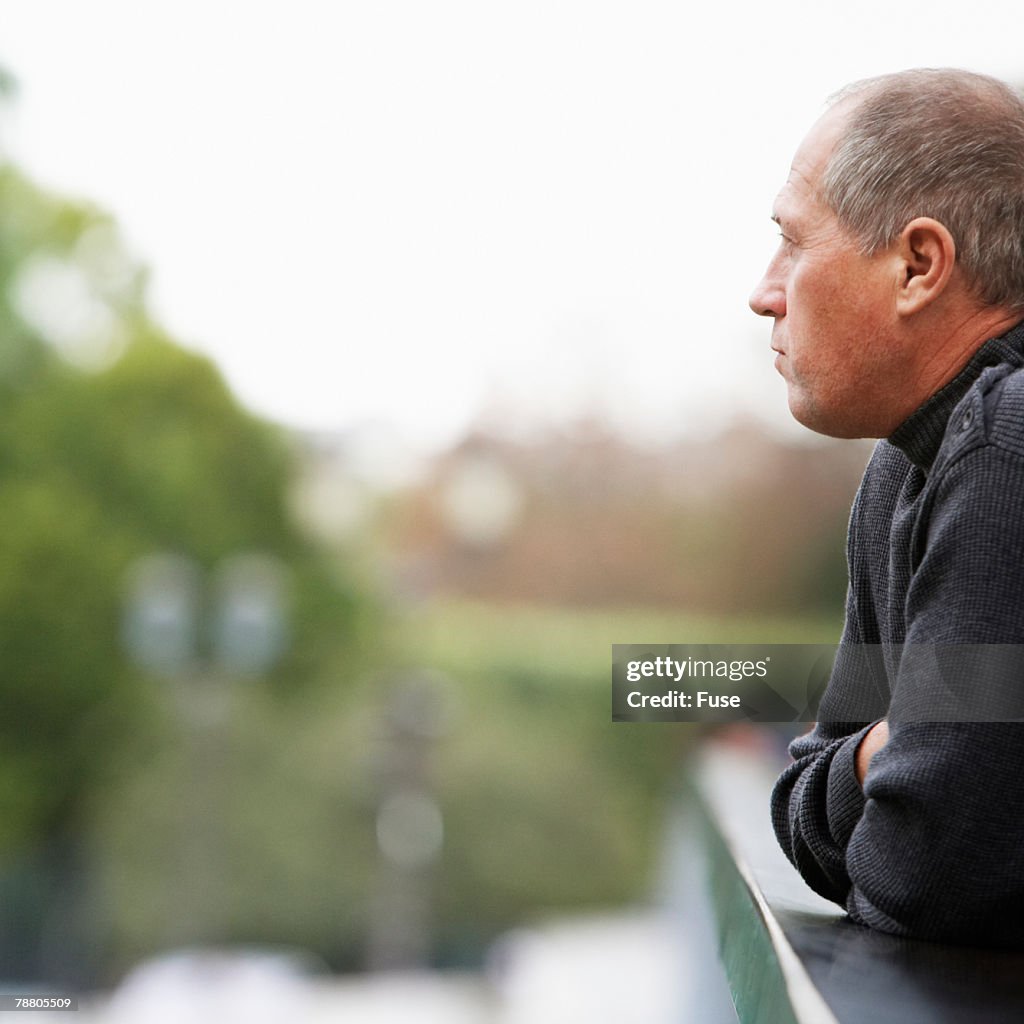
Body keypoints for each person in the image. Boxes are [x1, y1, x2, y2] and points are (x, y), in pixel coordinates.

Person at [748, 68, 1024, 947]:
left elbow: (921, 876)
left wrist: (882, 751)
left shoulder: (1006, 446)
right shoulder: (907, 466)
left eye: (794, 242)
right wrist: (882, 748)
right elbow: (802, 810)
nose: (765, 290)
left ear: (918, 266)